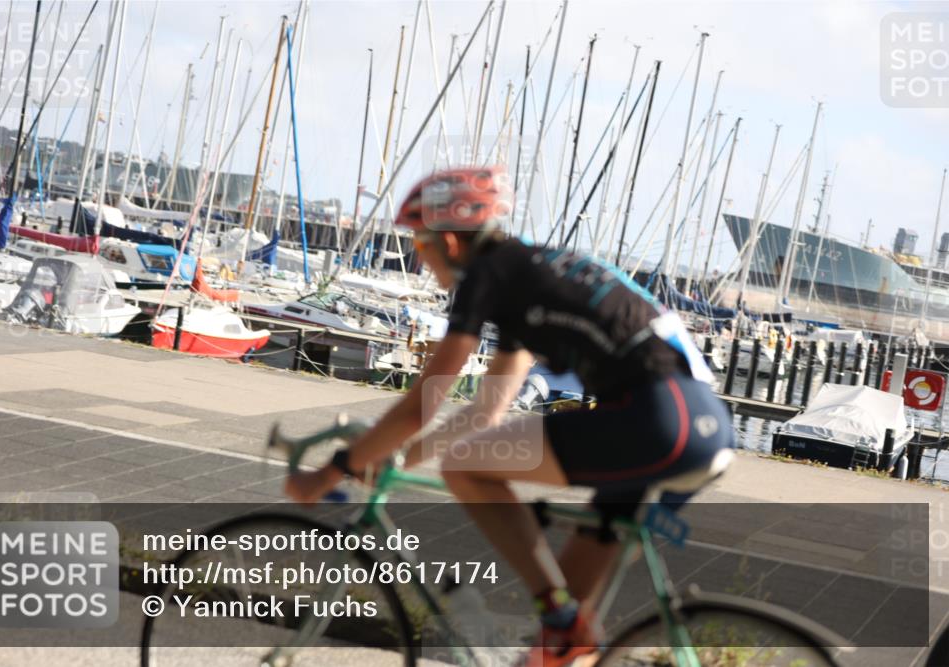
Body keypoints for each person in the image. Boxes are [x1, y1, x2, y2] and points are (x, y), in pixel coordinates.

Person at [286, 166, 735, 667]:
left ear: (451, 241)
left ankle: (560, 616)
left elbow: (425, 402)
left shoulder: (488, 276)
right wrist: (398, 461)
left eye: (419, 242)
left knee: (464, 467)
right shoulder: (531, 276)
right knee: (562, 641)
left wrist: (333, 470)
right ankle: (563, 629)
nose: (418, 255)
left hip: (655, 421)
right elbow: (486, 410)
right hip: (701, 427)